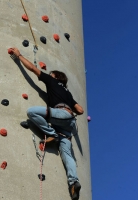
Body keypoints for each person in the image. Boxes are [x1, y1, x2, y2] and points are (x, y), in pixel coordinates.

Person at [10, 47, 84, 200]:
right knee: (67, 155)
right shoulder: (68, 93)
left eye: (51, 74)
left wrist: (19, 56)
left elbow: (32, 68)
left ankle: (52, 135)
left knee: (32, 112)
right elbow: (81, 110)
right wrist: (69, 109)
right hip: (68, 123)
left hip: (60, 115)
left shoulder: (52, 81)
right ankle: (73, 183)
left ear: (55, 77)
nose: (49, 74)